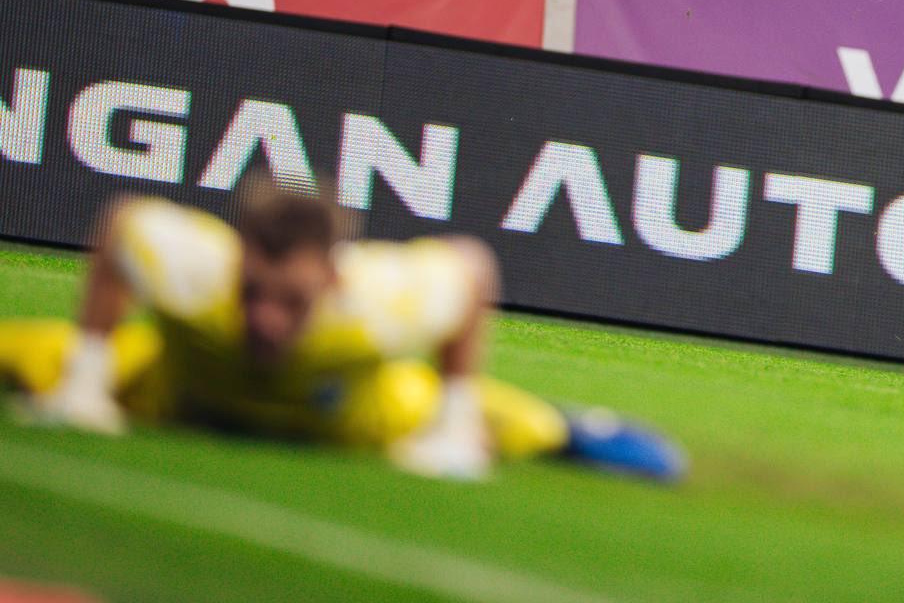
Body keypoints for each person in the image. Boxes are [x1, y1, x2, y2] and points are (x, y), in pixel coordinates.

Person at [5, 186, 682, 481]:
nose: (266, 319)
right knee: (33, 353)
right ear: (236, 263)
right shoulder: (197, 272)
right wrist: (86, 387)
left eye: (291, 302)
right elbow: (122, 222)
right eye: (253, 294)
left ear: (332, 283)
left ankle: (577, 431)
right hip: (168, 384)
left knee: (518, 426)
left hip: (358, 414)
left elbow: (473, 269)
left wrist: (450, 430)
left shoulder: (376, 303)